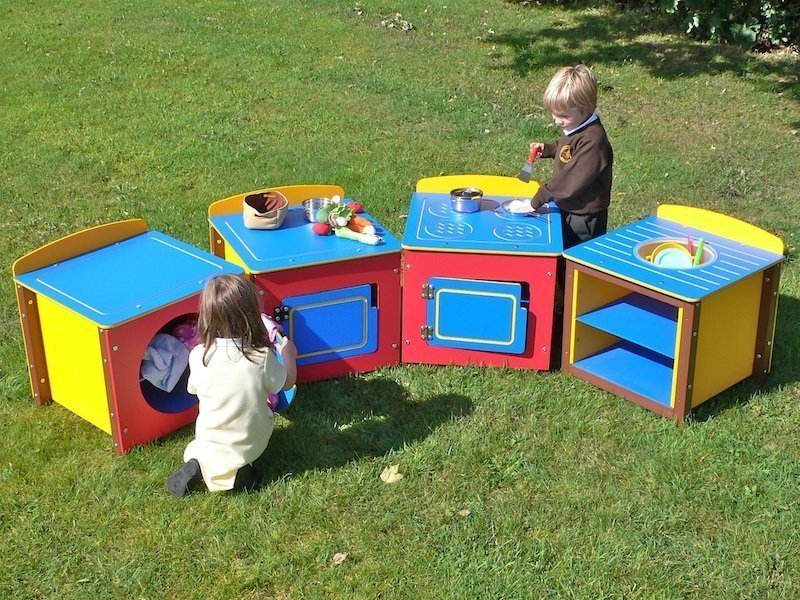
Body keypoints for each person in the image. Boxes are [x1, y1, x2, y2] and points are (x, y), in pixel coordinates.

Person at [167, 274, 297, 497]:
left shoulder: (199, 355)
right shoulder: (261, 356)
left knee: (204, 447)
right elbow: (287, 383)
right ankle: (240, 473)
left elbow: (193, 389)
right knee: (246, 445)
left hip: (209, 434)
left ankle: (199, 463)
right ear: (251, 318)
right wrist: (289, 355)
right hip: (247, 439)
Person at [529, 64, 613, 248]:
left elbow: (571, 181)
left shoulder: (593, 140)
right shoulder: (575, 126)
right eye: (553, 114)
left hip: (584, 216)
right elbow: (569, 149)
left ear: (585, 108)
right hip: (569, 206)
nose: (557, 120)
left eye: (563, 115)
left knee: (576, 255)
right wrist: (550, 149)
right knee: (562, 246)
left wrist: (537, 201)